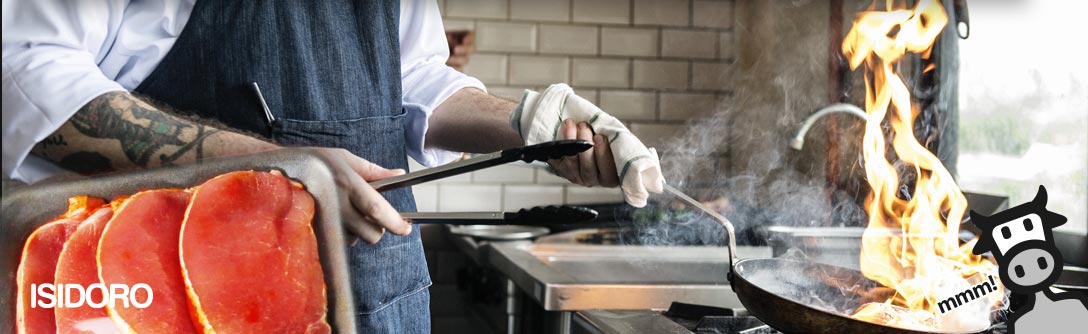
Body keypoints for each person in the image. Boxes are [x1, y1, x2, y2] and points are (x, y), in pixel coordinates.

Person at [2, 0, 660, 332]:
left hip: (378, 295)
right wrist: (272, 169)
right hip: (174, 295)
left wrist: (523, 123)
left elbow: (411, 75)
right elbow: (26, 68)